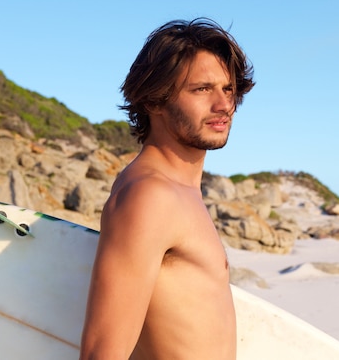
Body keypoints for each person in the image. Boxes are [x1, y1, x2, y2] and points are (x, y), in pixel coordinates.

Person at [79, 18, 255, 360]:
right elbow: (103, 352)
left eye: (228, 89)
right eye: (202, 89)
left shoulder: (179, 190)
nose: (224, 105)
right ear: (154, 101)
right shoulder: (151, 196)